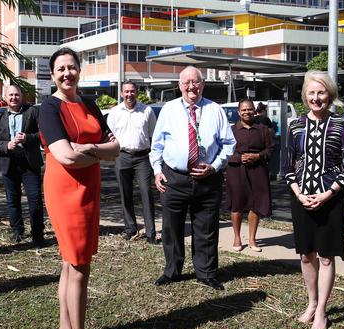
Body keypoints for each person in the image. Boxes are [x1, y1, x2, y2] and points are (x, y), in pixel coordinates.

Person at [38, 48, 119, 329]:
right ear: (53, 74)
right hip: (64, 190)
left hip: (90, 188)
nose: (67, 73)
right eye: (61, 69)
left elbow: (116, 147)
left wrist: (89, 147)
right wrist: (97, 152)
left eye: (72, 67)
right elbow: (65, 157)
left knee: (70, 264)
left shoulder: (89, 103)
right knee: (79, 264)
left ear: (79, 70)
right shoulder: (49, 107)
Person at [282, 70, 344, 329]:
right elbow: (287, 166)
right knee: (306, 256)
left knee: (326, 257)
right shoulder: (295, 126)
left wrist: (328, 193)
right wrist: (300, 193)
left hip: (331, 199)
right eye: (311, 93)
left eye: (321, 92)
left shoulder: (341, 124)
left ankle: (322, 310)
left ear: (330, 95)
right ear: (305, 96)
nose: (316, 98)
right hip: (301, 199)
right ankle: (311, 303)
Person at [149, 66, 235, 291]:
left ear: (203, 84)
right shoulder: (168, 109)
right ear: (179, 86)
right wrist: (157, 170)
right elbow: (156, 145)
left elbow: (229, 144)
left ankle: (206, 272)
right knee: (171, 228)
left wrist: (214, 167)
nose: (191, 87)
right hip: (174, 178)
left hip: (208, 179)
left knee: (206, 227)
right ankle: (172, 271)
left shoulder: (215, 110)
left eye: (195, 82)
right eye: (186, 83)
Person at [0, 84, 45, 245]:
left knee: (35, 201)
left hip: (29, 163)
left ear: (22, 96)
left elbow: (44, 133)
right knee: (13, 200)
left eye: (17, 95)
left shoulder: (32, 112)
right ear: (5, 98)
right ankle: (17, 231)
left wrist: (28, 138)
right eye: (11, 95)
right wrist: (6, 146)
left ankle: (38, 234)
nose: (14, 98)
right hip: (9, 163)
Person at [106, 81, 157, 243]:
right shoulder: (114, 113)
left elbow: (153, 136)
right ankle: (130, 228)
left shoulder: (147, 110)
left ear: (137, 92)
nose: (129, 94)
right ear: (121, 93)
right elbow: (109, 136)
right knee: (125, 194)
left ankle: (151, 233)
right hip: (122, 156)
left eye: (132, 91)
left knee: (146, 193)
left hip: (143, 157)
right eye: (126, 91)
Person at [226, 99, 274, 252]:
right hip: (236, 170)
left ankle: (252, 239)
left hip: (258, 170)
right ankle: (237, 238)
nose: (247, 112)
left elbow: (270, 150)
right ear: (238, 112)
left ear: (254, 110)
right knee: (237, 204)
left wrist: (258, 156)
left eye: (250, 109)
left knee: (256, 204)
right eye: (244, 110)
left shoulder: (263, 129)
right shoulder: (231, 130)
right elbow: (224, 152)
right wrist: (239, 158)